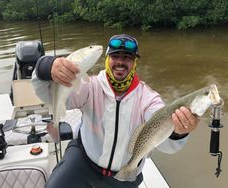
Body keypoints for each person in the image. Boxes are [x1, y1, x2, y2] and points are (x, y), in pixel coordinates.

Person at [31, 34, 199, 188]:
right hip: (83, 161)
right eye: (115, 56)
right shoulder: (91, 86)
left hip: (124, 174)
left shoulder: (148, 99)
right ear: (107, 59)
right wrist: (45, 66)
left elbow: (167, 145)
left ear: (134, 63)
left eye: (127, 57)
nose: (120, 62)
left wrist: (178, 133)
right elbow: (47, 95)